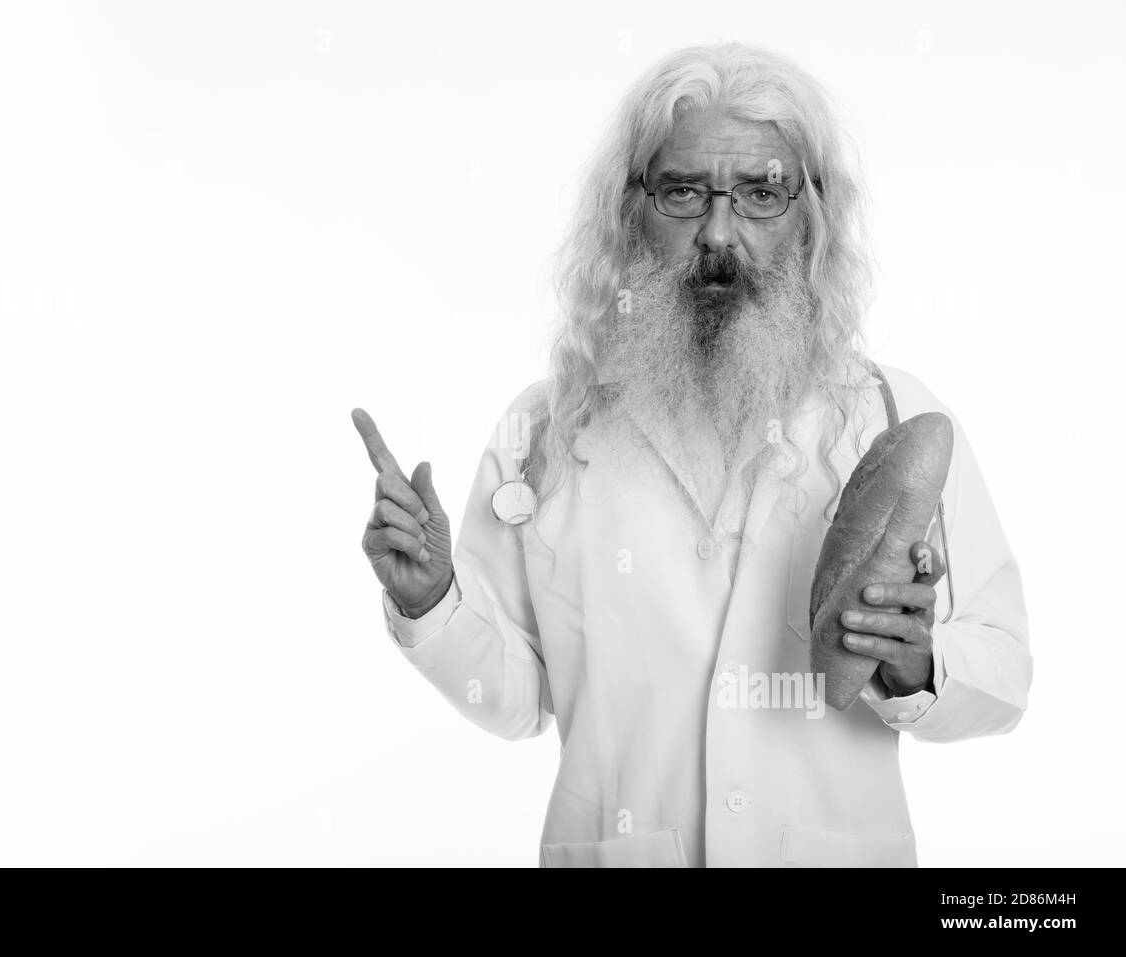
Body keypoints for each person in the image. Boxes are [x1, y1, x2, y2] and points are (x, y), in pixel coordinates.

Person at [353, 43, 1031, 867]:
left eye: (761, 193)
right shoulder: (546, 432)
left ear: (811, 214)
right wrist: (431, 601)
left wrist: (917, 662)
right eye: (682, 191)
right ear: (630, 208)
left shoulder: (893, 417)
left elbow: (1005, 672)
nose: (718, 232)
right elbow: (516, 697)